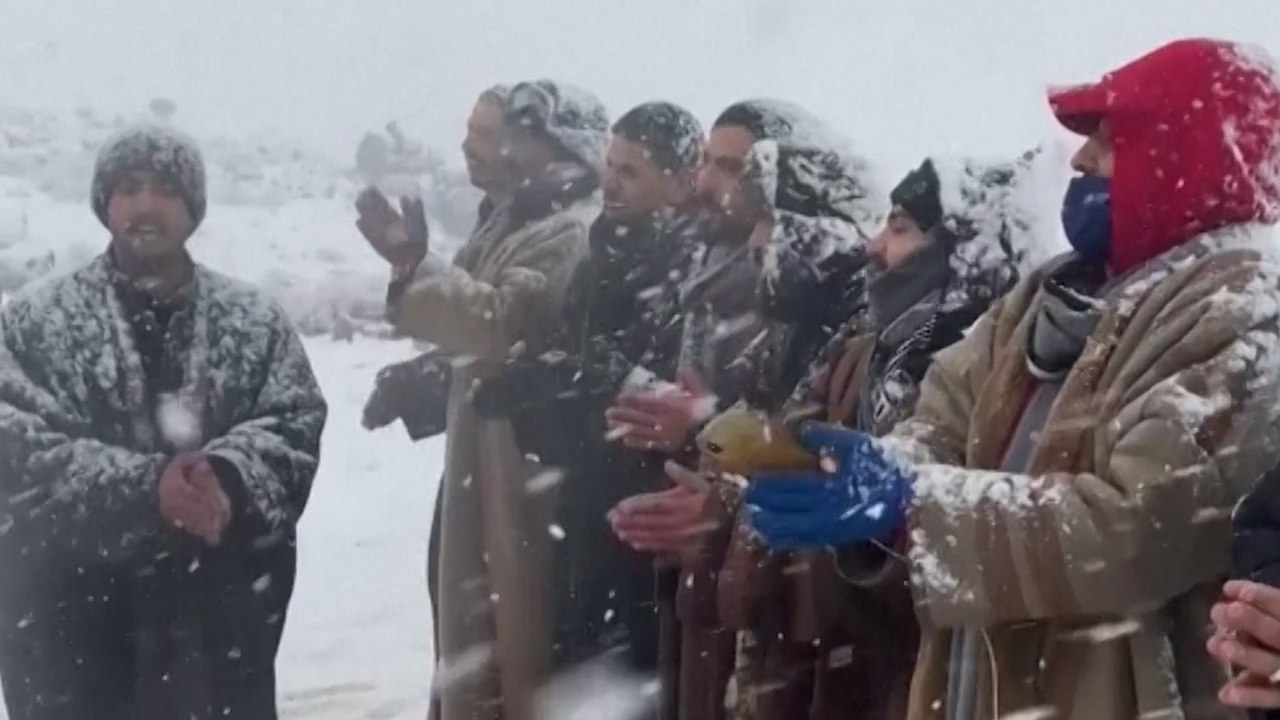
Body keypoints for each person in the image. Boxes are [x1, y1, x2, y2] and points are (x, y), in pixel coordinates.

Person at [743, 38, 1280, 720]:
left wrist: (913, 505)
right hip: (979, 687)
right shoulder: (1045, 294)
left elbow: (1141, 529)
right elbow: (938, 424)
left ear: (1193, 156)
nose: (1081, 160)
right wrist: (877, 476)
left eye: (1111, 140)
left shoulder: (1245, 313)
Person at [0, 125, 327, 720]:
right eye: (130, 187)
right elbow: (14, 447)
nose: (147, 204)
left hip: (216, 633)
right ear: (105, 202)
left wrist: (226, 479)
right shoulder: (34, 324)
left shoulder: (254, 322)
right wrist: (148, 490)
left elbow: (292, 424)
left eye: (166, 189)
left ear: (193, 207)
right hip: (71, 638)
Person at [608, 100, 881, 720]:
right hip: (714, 561)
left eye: (732, 167)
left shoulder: (817, 289)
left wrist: (706, 430)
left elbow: (817, 446)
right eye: (708, 160)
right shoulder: (721, 266)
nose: (707, 181)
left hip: (776, 590)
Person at [361, 78, 608, 720]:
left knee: (513, 645)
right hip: (485, 463)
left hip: (526, 474)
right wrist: (422, 381)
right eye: (510, 141)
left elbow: (500, 325)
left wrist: (415, 267)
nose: (507, 157)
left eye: (525, 143)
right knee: (471, 634)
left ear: (574, 156)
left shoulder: (571, 233)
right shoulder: (506, 223)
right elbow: (474, 340)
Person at [469, 100, 706, 676]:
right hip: (582, 502)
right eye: (610, 165)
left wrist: (570, 384)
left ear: (677, 185)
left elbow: (649, 392)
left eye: (631, 171)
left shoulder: (693, 266)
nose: (611, 182)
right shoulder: (601, 253)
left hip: (647, 516)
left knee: (636, 675)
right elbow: (575, 359)